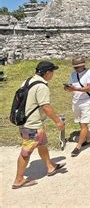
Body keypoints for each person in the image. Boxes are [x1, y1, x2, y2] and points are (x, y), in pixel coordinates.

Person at [12, 61, 66, 189]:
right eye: (52, 71)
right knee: (26, 152)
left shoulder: (28, 81)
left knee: (42, 144)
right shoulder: (42, 86)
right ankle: (18, 180)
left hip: (26, 122)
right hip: (33, 126)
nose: (53, 74)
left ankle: (50, 166)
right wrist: (58, 121)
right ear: (47, 73)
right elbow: (46, 107)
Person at [64, 56, 90, 157]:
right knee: (80, 123)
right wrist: (68, 88)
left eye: (78, 67)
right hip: (76, 101)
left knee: (84, 124)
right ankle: (89, 139)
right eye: (75, 67)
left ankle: (78, 146)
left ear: (83, 65)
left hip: (86, 101)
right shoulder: (73, 74)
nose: (76, 69)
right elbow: (71, 87)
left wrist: (75, 89)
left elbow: (89, 88)